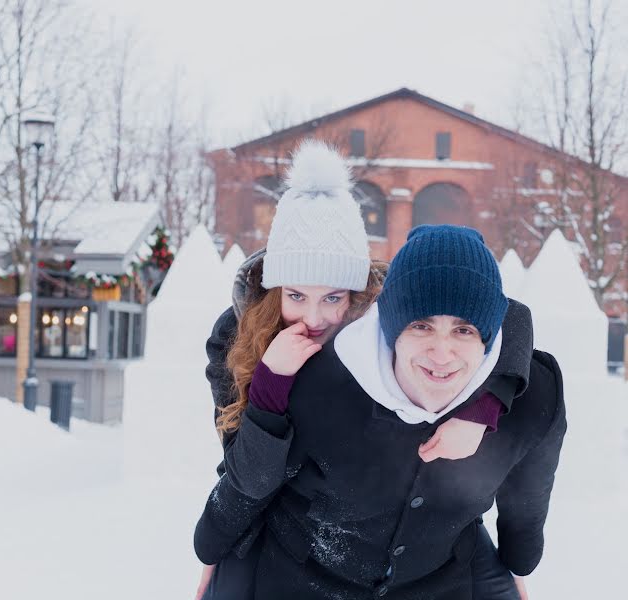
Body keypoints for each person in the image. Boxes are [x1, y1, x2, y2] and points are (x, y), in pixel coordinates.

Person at [195, 142, 538, 599]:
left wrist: (484, 408)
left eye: (333, 297)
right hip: (287, 513)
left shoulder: (383, 315)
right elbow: (244, 472)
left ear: (358, 295)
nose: (314, 318)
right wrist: (270, 385)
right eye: (296, 295)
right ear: (273, 289)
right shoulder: (238, 341)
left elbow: (507, 316)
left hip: (412, 512)